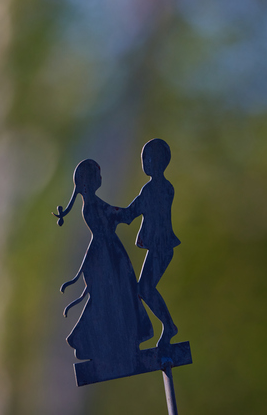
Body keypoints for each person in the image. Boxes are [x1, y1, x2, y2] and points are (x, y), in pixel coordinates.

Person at [54, 159, 153, 368]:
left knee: (114, 298)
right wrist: (142, 201)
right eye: (97, 175)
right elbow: (123, 215)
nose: (101, 177)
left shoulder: (91, 205)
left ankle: (118, 343)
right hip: (109, 258)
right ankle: (97, 341)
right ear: (90, 180)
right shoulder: (94, 205)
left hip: (108, 256)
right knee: (117, 297)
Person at [123, 139, 180, 347]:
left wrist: (108, 214)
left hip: (160, 248)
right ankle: (167, 326)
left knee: (145, 288)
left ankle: (169, 326)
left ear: (157, 162)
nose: (144, 163)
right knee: (144, 288)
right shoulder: (164, 188)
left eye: (147, 159)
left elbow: (129, 214)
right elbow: (131, 213)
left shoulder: (154, 190)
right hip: (160, 247)